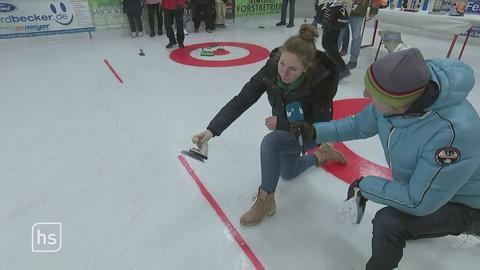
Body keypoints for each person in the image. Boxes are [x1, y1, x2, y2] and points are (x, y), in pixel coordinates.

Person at [290, 48, 480, 269]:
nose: (364, 95)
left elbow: (418, 201)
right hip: (431, 187)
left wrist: (366, 185)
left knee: (388, 223)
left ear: (400, 104)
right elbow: (358, 125)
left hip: (464, 203)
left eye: (373, 94)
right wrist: (315, 132)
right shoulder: (400, 98)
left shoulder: (453, 134)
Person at [192, 24, 347, 227]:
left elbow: (320, 126)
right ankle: (323, 154)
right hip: (287, 130)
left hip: (309, 135)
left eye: (293, 69)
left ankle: (266, 200)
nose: (284, 72)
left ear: (306, 68)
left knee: (271, 142)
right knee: (288, 173)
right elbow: (243, 99)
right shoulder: (272, 68)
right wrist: (212, 129)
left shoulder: (320, 83)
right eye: (282, 63)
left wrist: (281, 123)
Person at [315, 0, 353, 80]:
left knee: (327, 44)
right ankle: (334, 69)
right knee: (332, 44)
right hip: (337, 15)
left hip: (333, 15)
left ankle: (342, 69)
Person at [345, 0, 379, 69]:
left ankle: (353, 60)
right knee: (338, 34)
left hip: (358, 11)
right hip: (341, 9)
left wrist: (374, 10)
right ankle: (334, 57)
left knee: (356, 36)